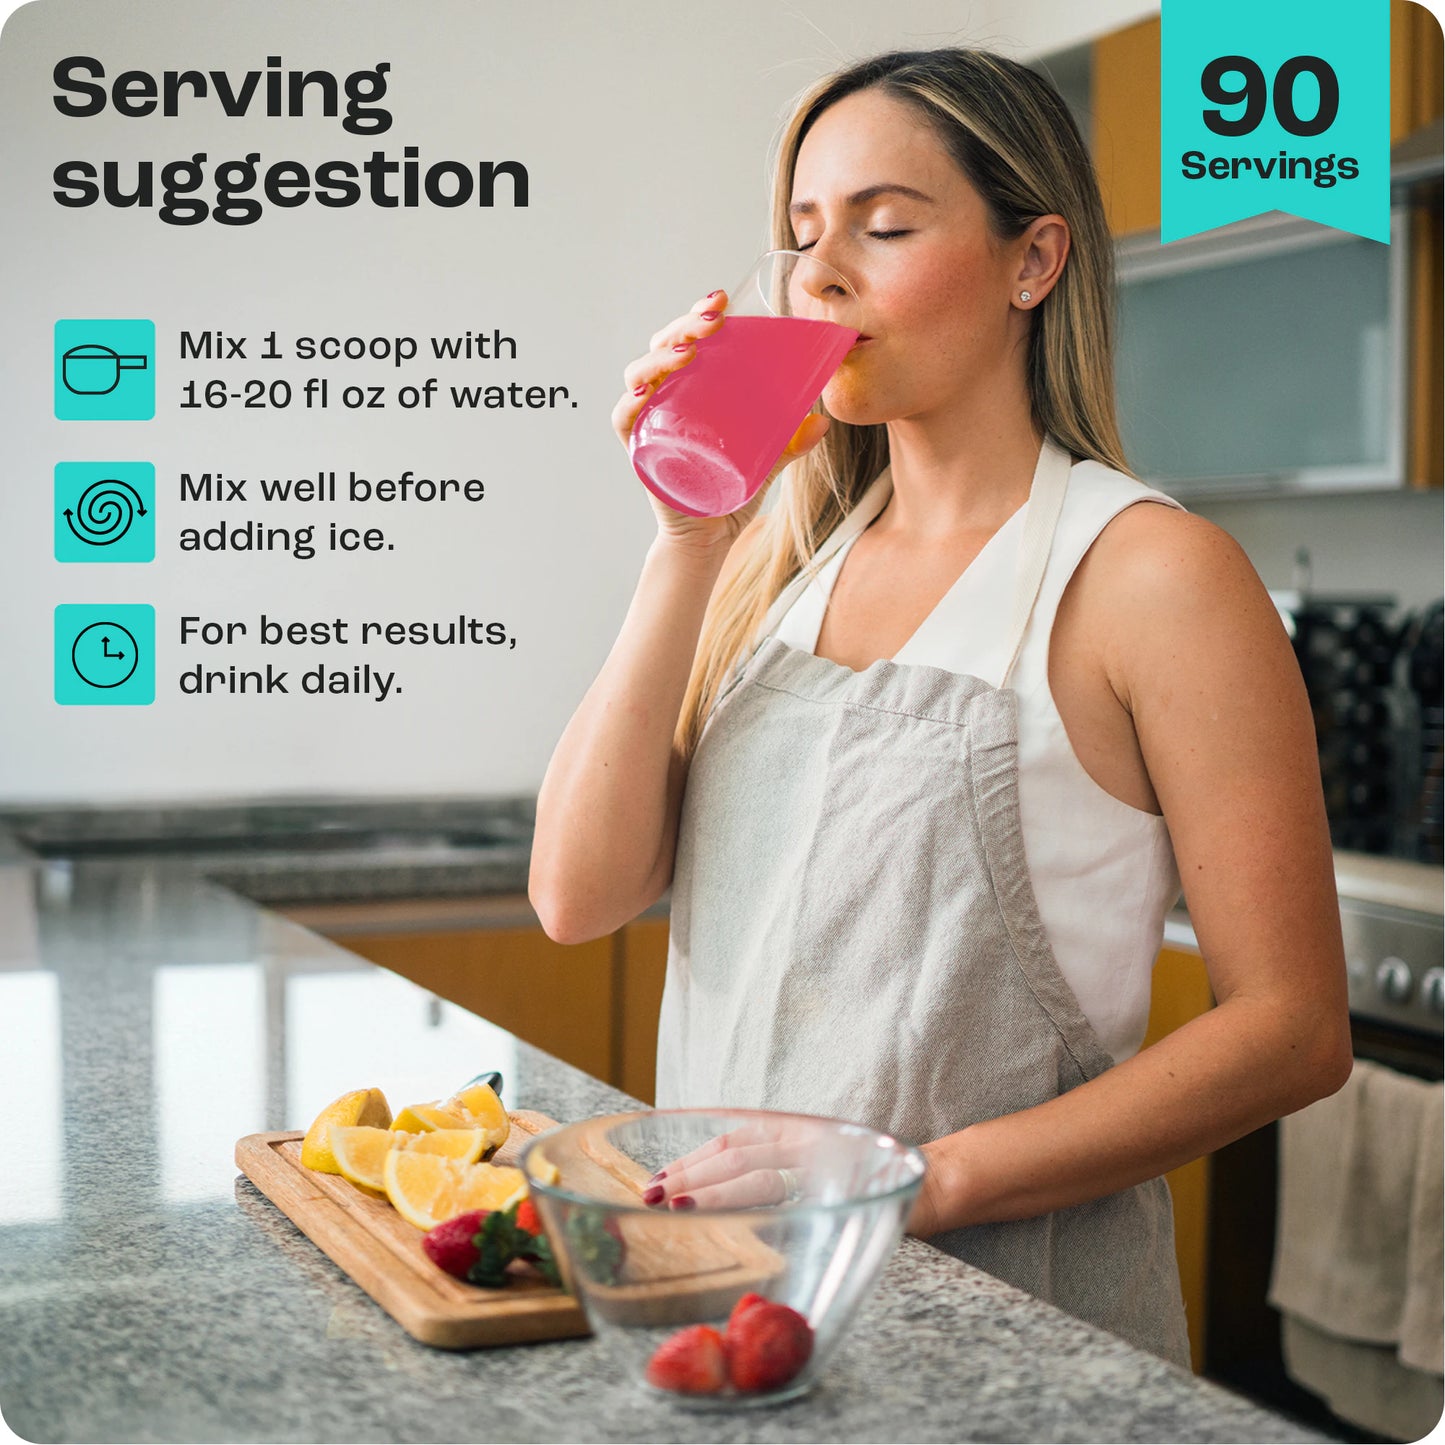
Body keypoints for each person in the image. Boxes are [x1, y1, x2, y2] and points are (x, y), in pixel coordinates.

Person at [528, 48, 1352, 1366]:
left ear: (1032, 262)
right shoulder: (774, 562)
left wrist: (913, 1177)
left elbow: (1293, 1028)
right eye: (801, 238)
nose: (823, 275)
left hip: (1013, 1334)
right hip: (731, 1301)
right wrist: (684, 536)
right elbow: (577, 894)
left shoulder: (1148, 576)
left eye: (885, 224)